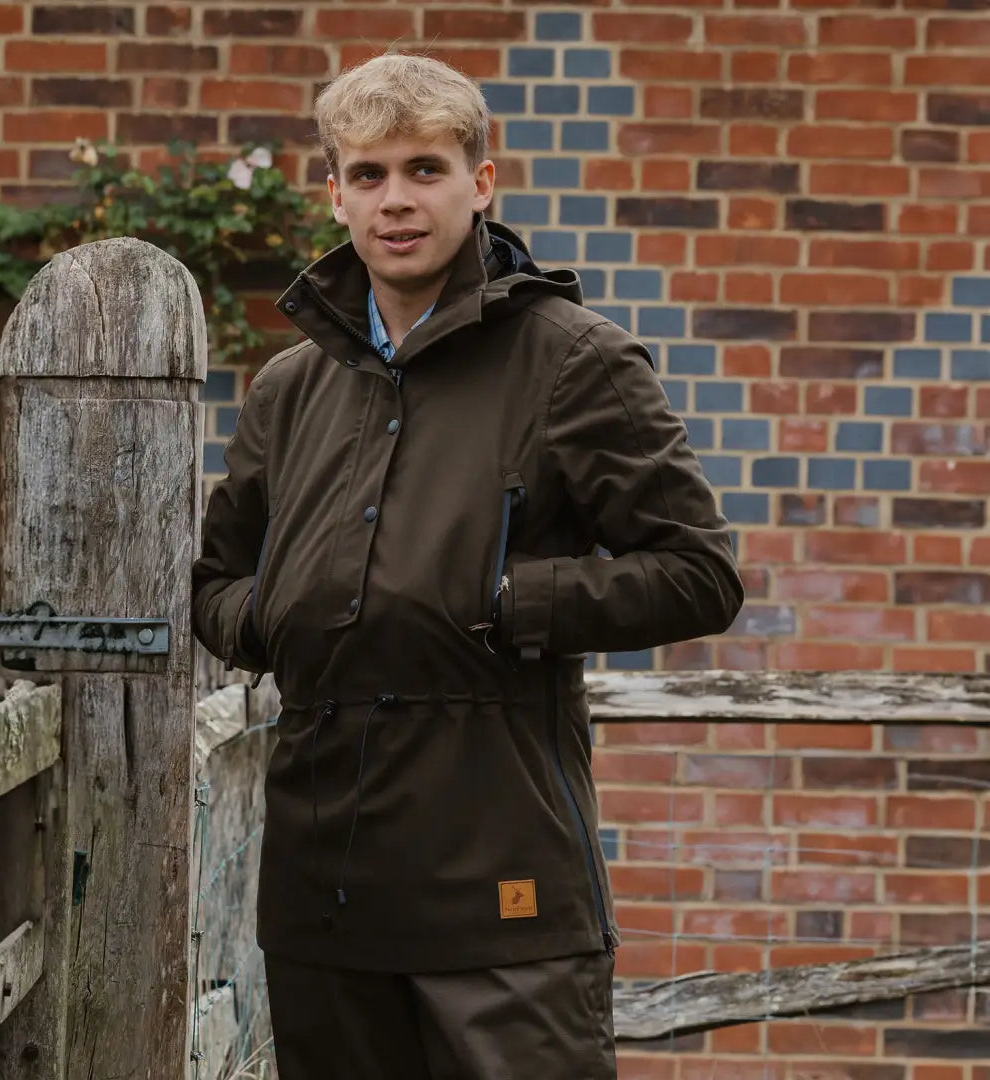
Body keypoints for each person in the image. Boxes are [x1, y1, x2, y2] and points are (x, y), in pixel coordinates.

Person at [192, 52, 743, 1080]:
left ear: (479, 182)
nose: (396, 200)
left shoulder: (576, 360)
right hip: (323, 885)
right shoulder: (288, 387)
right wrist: (278, 620)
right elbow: (214, 585)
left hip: (504, 887)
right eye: (368, 175)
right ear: (336, 193)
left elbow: (700, 573)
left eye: (425, 169)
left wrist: (505, 600)